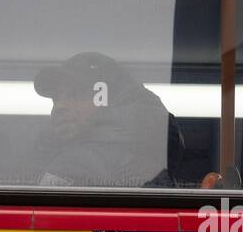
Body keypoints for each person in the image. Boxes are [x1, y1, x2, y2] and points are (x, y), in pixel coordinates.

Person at [32, 53, 179, 188]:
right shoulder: (152, 165)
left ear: (110, 101)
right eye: (55, 98)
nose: (59, 106)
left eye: (76, 95)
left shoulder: (72, 166)